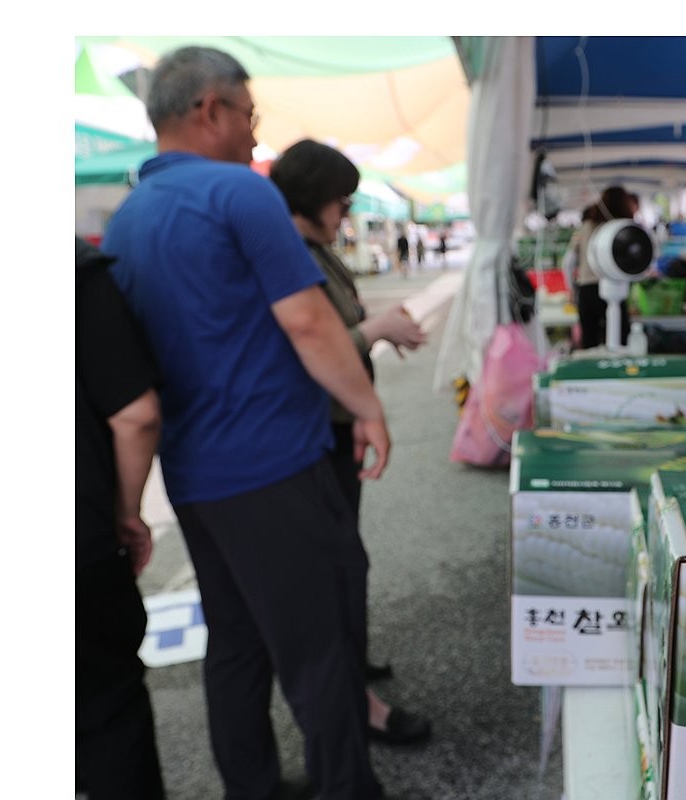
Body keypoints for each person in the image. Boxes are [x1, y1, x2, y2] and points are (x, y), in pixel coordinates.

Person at [101, 46, 394, 800]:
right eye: (249, 115)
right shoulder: (239, 192)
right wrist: (368, 407)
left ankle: (252, 789)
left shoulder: (131, 217)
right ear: (210, 110)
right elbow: (307, 322)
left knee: (234, 645)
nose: (254, 135)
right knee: (320, 650)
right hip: (273, 465)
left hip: (197, 477)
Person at [269, 138, 430, 746]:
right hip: (318, 431)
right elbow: (315, 340)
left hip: (334, 427)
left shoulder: (312, 248)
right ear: (314, 197)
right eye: (340, 201)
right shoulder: (288, 253)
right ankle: (352, 704)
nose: (345, 212)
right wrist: (376, 331)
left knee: (344, 560)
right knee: (340, 566)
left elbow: (334, 328)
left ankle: (350, 672)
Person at [75, 236, 166, 800]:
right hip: (76, 540)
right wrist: (127, 515)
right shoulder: (73, 272)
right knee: (106, 703)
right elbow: (136, 414)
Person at [566, 185, 637, 349]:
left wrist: (572, 289)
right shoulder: (624, 230)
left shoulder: (585, 227)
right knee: (620, 342)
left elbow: (568, 262)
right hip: (617, 288)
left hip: (587, 289)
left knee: (589, 341)